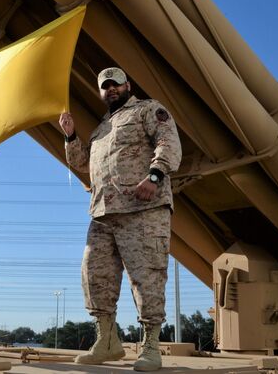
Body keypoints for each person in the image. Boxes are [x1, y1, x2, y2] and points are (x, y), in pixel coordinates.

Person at [59, 68, 181, 371]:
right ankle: (107, 341)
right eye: (105, 87)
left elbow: (168, 141)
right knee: (94, 276)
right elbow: (82, 163)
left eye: (115, 84)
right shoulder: (102, 128)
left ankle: (151, 345)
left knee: (147, 277)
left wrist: (154, 175)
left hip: (142, 208)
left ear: (128, 85)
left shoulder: (147, 110)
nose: (110, 90)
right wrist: (71, 134)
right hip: (102, 213)